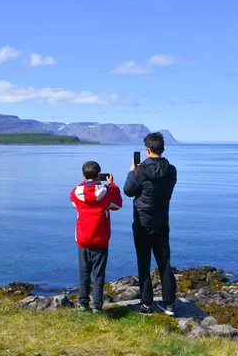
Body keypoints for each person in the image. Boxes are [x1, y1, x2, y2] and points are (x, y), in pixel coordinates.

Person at [124, 132, 177, 316]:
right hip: (162, 222)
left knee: (143, 263)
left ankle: (146, 304)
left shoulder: (140, 171)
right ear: (162, 149)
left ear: (147, 150)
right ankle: (169, 304)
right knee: (165, 263)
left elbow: (128, 191)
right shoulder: (171, 170)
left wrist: (132, 171)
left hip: (142, 223)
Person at [70, 161, 122, 313]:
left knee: (84, 274)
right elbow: (117, 205)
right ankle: (97, 307)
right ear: (99, 175)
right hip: (100, 240)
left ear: (83, 175)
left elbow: (74, 202)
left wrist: (86, 183)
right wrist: (112, 185)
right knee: (98, 275)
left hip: (83, 239)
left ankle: (83, 304)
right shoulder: (106, 192)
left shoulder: (75, 193)